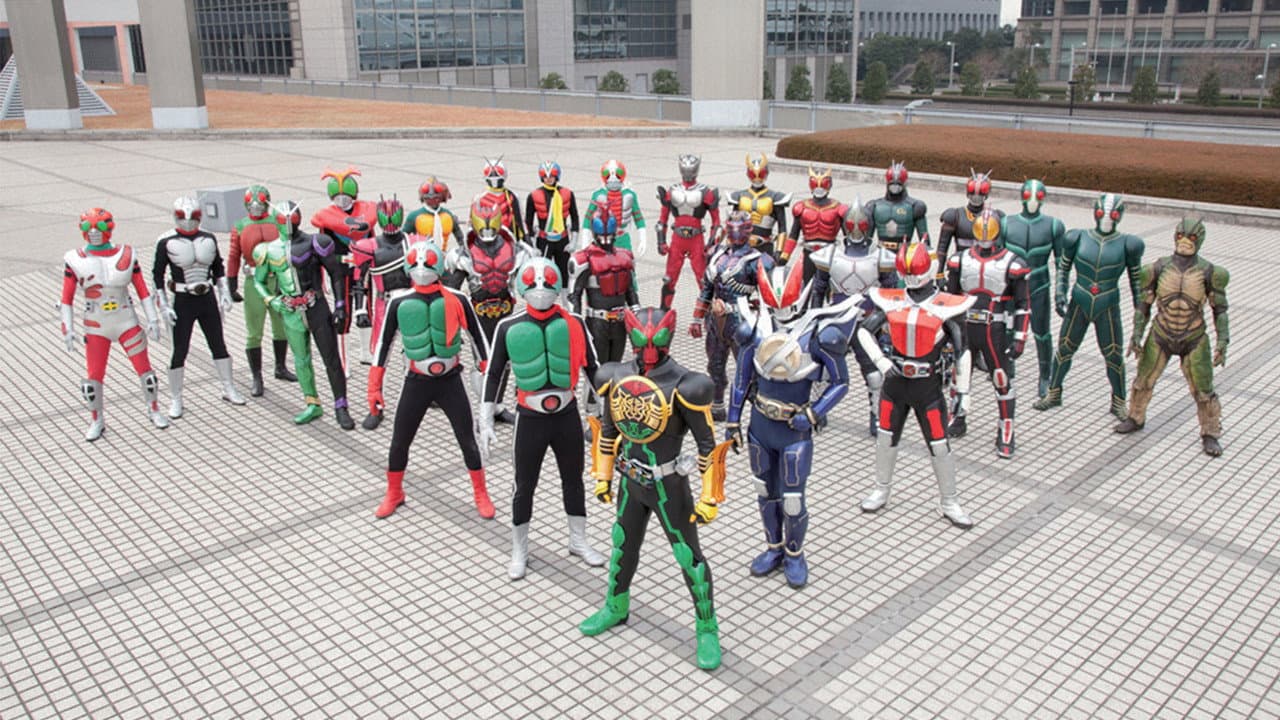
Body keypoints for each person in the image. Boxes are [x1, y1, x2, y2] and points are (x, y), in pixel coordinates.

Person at [580, 307, 728, 671]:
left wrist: (709, 497)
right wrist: (603, 476)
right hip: (631, 481)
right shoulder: (616, 376)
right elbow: (609, 430)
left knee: (689, 557)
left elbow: (707, 446)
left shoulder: (686, 384)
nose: (648, 347)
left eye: (656, 339)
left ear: (668, 336)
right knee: (622, 545)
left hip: (668, 484)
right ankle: (616, 605)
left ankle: (707, 628)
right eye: (641, 339)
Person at [728, 262, 857, 587]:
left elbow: (841, 382)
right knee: (764, 491)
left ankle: (794, 553)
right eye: (775, 303)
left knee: (793, 498)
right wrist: (732, 421)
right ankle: (774, 548)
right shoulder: (755, 328)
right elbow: (741, 380)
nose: (782, 310)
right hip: (760, 426)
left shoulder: (819, 333)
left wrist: (814, 412)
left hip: (794, 430)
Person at [479, 257, 606, 579]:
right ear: (521, 286)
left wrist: (609, 410)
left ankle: (578, 540)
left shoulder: (574, 323)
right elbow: (494, 373)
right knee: (524, 485)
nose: (540, 288)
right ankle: (519, 549)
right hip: (530, 417)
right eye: (533, 282)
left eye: (546, 281)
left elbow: (593, 368)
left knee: (574, 480)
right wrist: (485, 417)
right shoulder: (508, 327)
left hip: (566, 414)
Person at [368, 239, 495, 520]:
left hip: (450, 380)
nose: (422, 267)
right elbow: (383, 345)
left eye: (427, 262)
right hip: (416, 380)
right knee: (400, 440)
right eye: (416, 262)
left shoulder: (457, 298)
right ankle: (394, 491)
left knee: (467, 439)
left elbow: (478, 338)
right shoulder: (399, 302)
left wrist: (488, 374)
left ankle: (480, 492)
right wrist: (374, 387)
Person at [857, 242, 976, 528]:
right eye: (907, 271)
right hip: (895, 382)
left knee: (939, 444)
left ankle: (950, 500)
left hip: (928, 386)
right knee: (886, 438)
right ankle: (881, 489)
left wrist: (963, 392)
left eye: (916, 270)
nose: (911, 277)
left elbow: (963, 350)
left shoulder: (947, 306)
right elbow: (864, 331)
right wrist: (881, 362)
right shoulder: (892, 299)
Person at [1115, 217, 1230, 457]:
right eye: (1181, 236)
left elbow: (1219, 310)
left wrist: (1222, 341)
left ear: (1199, 240)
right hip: (1161, 333)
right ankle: (1135, 417)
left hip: (1193, 336)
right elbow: (1143, 305)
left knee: (1203, 389)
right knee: (1143, 380)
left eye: (1192, 237)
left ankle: (1210, 432)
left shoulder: (1210, 272)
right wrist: (1136, 335)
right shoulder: (1157, 268)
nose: (1185, 241)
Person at [59, 208, 169, 441]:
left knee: (146, 371)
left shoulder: (127, 253)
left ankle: (154, 409)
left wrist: (152, 318)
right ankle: (97, 420)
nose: (94, 232)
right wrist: (67, 328)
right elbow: (66, 299)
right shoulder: (74, 259)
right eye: (88, 227)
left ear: (109, 227)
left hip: (126, 319)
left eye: (99, 226)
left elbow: (142, 291)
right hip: (96, 324)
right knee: (94, 377)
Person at [1034, 193, 1145, 420]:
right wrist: (1060, 293)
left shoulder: (1129, 244)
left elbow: (1136, 281)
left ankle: (1118, 401)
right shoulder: (1077, 237)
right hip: (1079, 301)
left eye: (1112, 214)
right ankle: (1054, 393)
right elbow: (1063, 267)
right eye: (1103, 212)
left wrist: (1140, 310)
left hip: (1108, 304)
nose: (1106, 218)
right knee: (1064, 349)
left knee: (1113, 356)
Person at [252, 201, 354, 429]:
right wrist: (272, 300)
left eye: (293, 218)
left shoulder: (316, 242)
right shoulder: (267, 249)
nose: (289, 223)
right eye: (284, 219)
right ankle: (312, 403)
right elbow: (258, 281)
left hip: (316, 305)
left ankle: (341, 405)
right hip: (290, 311)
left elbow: (336, 274)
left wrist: (340, 305)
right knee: (301, 360)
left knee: (331, 358)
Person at [944, 208, 1031, 458]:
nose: (984, 235)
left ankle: (1006, 429)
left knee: (1001, 379)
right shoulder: (960, 260)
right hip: (965, 326)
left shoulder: (1013, 263)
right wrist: (946, 334)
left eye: (989, 230)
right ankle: (957, 417)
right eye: (980, 230)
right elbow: (949, 299)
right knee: (959, 376)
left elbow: (1023, 304)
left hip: (995, 328)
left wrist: (1020, 337)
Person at [152, 196, 246, 418]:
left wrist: (224, 293)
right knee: (179, 350)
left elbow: (218, 268)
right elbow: (157, 276)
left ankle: (228, 387)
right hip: (182, 300)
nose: (188, 220)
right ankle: (176, 398)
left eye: (192, 216)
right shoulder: (165, 241)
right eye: (182, 216)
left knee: (218, 344)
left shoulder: (208, 237)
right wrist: (163, 305)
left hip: (207, 298)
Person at [809, 202, 897, 436]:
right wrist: (814, 318)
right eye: (852, 224)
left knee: (874, 374)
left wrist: (886, 325)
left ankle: (877, 416)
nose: (856, 229)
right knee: (822, 370)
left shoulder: (881, 256)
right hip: (836, 320)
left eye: (862, 225)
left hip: (867, 323)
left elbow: (890, 294)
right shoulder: (829, 254)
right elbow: (818, 289)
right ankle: (817, 411)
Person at [449, 200, 538, 425]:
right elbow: (452, 291)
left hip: (506, 311)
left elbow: (529, 282)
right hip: (478, 315)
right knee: (484, 362)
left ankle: (496, 406)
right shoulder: (464, 253)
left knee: (505, 361)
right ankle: (484, 411)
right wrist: (452, 323)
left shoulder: (516, 249)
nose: (487, 231)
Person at [692, 211, 773, 421]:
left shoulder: (758, 260)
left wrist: (765, 324)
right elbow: (707, 288)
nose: (736, 233)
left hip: (742, 321)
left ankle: (759, 412)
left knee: (748, 370)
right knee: (715, 366)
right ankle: (717, 406)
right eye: (732, 228)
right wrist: (697, 317)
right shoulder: (717, 255)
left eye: (740, 228)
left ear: (748, 230)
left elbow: (768, 298)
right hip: (715, 321)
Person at [351, 197, 413, 429]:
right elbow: (360, 281)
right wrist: (360, 309)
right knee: (379, 355)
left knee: (416, 351)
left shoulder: (413, 242)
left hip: (410, 302)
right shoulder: (368, 246)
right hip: (384, 305)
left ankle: (421, 395)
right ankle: (375, 406)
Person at [227, 184, 294, 396]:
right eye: (252, 202)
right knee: (254, 331)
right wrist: (231, 283)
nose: (256, 206)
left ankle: (280, 366)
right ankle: (256, 376)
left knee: (281, 326)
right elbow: (233, 255)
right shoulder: (240, 226)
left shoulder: (277, 221)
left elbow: (288, 247)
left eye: (260, 202)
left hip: (278, 279)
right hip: (254, 280)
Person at [569, 210, 639, 414]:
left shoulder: (625, 257)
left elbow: (630, 291)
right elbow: (574, 294)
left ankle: (610, 410)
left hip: (620, 322)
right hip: (596, 322)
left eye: (609, 235)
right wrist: (576, 323)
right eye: (602, 236)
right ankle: (593, 413)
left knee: (615, 367)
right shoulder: (583, 259)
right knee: (596, 369)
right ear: (595, 234)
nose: (606, 240)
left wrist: (638, 315)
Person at [1001, 179, 1065, 398]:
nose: (1033, 200)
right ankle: (1008, 366)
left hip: (1039, 285)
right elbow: (998, 258)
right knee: (1008, 328)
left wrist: (1060, 293)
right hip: (1011, 285)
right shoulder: (1006, 223)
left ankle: (1045, 375)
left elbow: (1062, 263)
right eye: (1029, 195)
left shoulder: (1054, 226)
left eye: (1037, 196)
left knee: (1042, 333)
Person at [310, 167, 378, 366]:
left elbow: (372, 238)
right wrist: (324, 277)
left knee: (366, 311)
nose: (342, 200)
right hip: (340, 271)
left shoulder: (366, 211)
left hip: (363, 269)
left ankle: (366, 352)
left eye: (346, 195)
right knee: (342, 315)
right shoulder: (327, 217)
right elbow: (323, 249)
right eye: (338, 196)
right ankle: (344, 360)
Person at [655, 154, 721, 310]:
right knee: (669, 279)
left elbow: (716, 222)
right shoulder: (672, 191)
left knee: (704, 280)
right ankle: (664, 311)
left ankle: (709, 313)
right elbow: (662, 219)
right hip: (677, 240)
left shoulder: (705, 192)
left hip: (696, 240)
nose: (688, 172)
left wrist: (712, 243)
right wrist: (661, 241)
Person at [936, 170, 1004, 282]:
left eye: (980, 194)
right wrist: (939, 274)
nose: (976, 197)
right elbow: (942, 248)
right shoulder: (954, 216)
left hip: (987, 271)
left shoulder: (996, 217)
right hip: (960, 268)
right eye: (973, 193)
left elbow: (1002, 249)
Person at [726, 153, 790, 260]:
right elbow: (732, 222)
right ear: (748, 174)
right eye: (753, 174)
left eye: (761, 174)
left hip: (764, 245)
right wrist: (729, 241)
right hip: (741, 246)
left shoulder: (775, 197)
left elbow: (782, 227)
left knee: (763, 269)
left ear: (766, 174)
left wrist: (779, 250)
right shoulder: (739, 196)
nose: (757, 178)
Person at [525, 161, 580, 285]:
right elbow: (528, 222)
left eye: (551, 176)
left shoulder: (567, 194)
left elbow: (575, 218)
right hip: (544, 240)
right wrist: (532, 246)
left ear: (557, 176)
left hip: (563, 240)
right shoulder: (534, 196)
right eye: (545, 176)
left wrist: (574, 241)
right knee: (543, 274)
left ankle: (565, 296)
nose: (548, 179)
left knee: (565, 273)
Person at [582, 159, 647, 258]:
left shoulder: (629, 195)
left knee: (627, 263)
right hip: (602, 240)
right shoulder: (598, 195)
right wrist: (585, 242)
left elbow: (638, 218)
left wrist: (643, 239)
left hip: (622, 237)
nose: (613, 177)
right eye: (608, 174)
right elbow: (587, 219)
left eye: (617, 173)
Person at [865, 161, 929, 257]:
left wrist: (928, 257)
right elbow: (867, 239)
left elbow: (924, 238)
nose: (895, 188)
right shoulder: (874, 206)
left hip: (904, 253)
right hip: (880, 252)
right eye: (892, 185)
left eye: (898, 185)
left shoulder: (915, 206)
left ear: (904, 184)